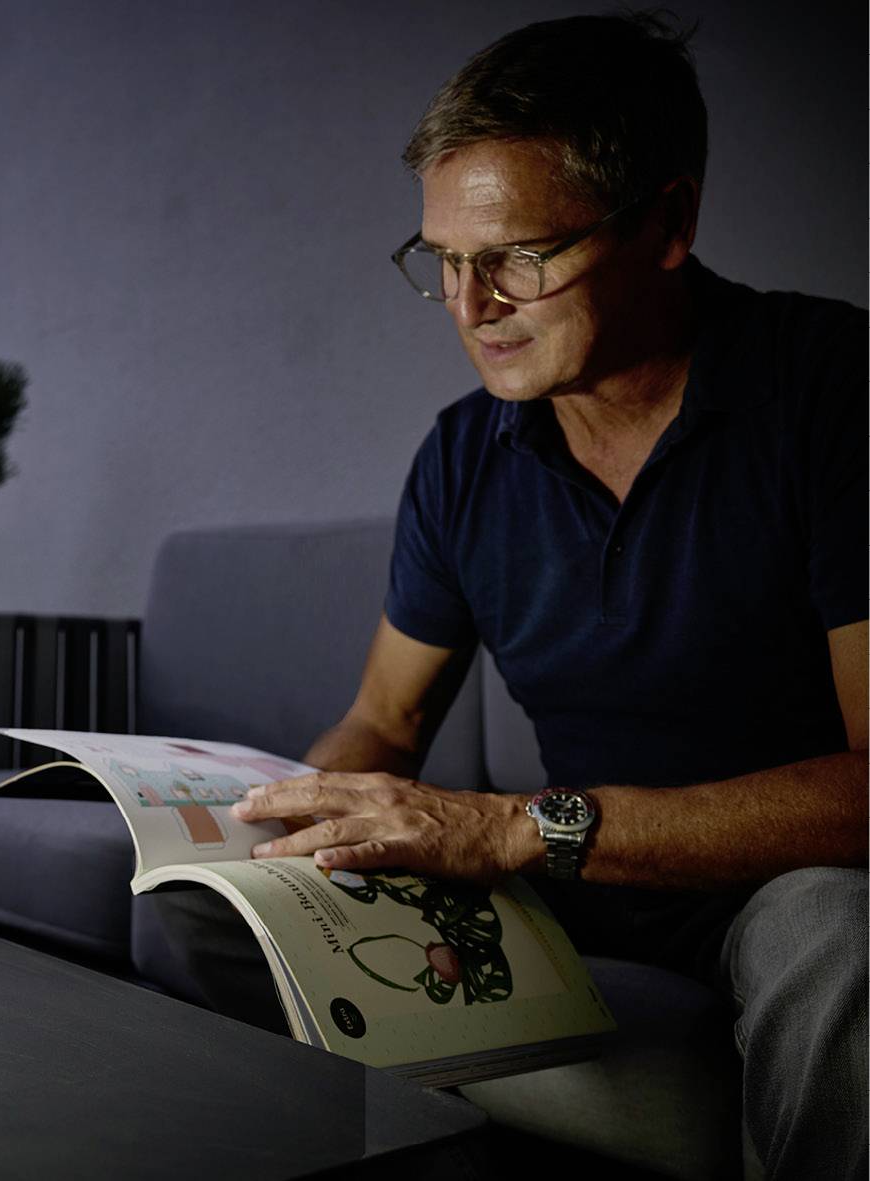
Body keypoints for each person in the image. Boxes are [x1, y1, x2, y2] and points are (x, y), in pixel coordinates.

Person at [154, 13, 867, 1178]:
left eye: (515, 255)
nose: (465, 303)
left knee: (843, 932)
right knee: (210, 902)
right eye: (438, 257)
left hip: (772, 888)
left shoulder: (833, 392)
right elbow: (385, 720)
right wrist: (284, 823)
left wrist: (508, 826)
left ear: (667, 224)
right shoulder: (460, 456)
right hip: (555, 891)